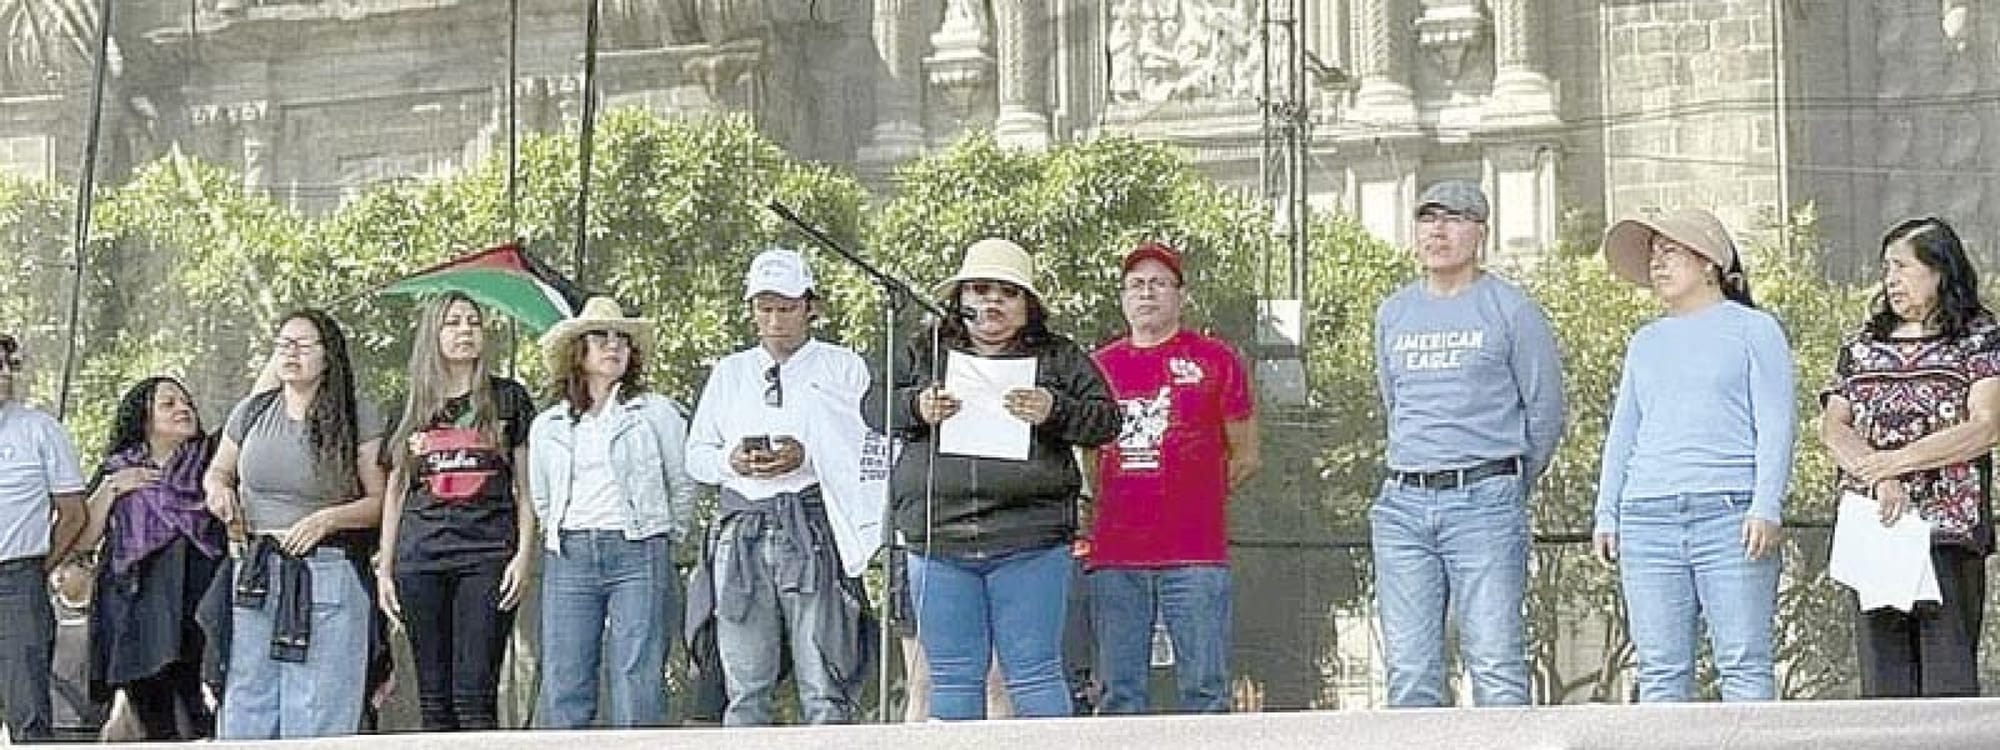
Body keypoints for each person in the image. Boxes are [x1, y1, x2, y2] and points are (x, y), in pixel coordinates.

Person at [863, 237, 1121, 720]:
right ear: (961, 298)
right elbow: (873, 407)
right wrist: (915, 406)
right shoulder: (924, 350)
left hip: (1031, 538)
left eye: (1008, 292)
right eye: (980, 290)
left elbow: (1106, 420)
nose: (993, 302)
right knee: (953, 675)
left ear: (1028, 305)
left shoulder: (1059, 356)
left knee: (1035, 672)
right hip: (940, 538)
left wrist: (1055, 409)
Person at [1371, 181, 1565, 707]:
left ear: (1481, 232)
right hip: (1402, 503)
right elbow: (1395, 403)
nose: (1438, 230)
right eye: (1427, 218)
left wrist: (1504, 479)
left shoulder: (1512, 310)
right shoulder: (1393, 313)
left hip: (1484, 499)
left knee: (1496, 663)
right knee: (1409, 671)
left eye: (1454, 218)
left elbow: (1545, 411)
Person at [1593, 208, 1794, 702]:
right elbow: (1624, 432)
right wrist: (1607, 511)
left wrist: (1766, 504)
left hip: (1729, 513)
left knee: (1743, 663)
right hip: (1647, 516)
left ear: (1709, 263)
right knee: (1660, 671)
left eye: (1671, 252)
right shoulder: (1646, 341)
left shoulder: (1754, 329)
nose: (1657, 264)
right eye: (1653, 255)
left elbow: (1776, 423)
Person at [684, 249, 872, 725]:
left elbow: (869, 451)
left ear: (811, 307)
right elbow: (696, 455)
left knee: (824, 683)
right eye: (764, 308)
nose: (775, 320)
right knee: (745, 686)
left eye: (786, 308)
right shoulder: (730, 372)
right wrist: (732, 462)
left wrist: (807, 456)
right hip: (742, 528)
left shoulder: (843, 367)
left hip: (812, 527)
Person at [1821, 216, 1999, 698]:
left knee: (1947, 680)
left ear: (1939, 270)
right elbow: (1834, 426)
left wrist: (1897, 461)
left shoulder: (1978, 338)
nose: (1891, 280)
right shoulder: (1863, 344)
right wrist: (1879, 476)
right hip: (1876, 524)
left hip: (1946, 530)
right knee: (1884, 683)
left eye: (1902, 267)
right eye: (1886, 269)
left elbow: (1985, 426)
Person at [1086, 242, 1259, 714]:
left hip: (1195, 551)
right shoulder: (1098, 367)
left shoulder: (1216, 360)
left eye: (1159, 283)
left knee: (1205, 689)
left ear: (1181, 296)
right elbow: (1086, 458)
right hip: (1116, 552)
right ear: (1123, 297)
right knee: (1119, 693)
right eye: (1136, 284)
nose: (1147, 293)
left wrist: (1194, 495)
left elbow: (1245, 455)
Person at [202, 310, 388, 739]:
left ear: (328, 355)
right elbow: (217, 472)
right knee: (248, 700)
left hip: (326, 570)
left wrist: (328, 519)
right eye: (284, 344)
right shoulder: (252, 411)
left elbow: (380, 501)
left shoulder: (357, 416)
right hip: (255, 572)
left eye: (304, 345)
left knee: (317, 706)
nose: (291, 353)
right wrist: (220, 493)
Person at [528, 296, 696, 729]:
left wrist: (663, 536)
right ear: (577, 351)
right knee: (565, 676)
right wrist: (559, 532)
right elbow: (542, 497)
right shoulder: (549, 424)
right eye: (600, 337)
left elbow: (682, 483)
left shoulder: (656, 412)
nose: (613, 345)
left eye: (621, 338)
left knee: (637, 674)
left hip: (637, 548)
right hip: (570, 551)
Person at [375, 293, 536, 730]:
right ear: (433, 333)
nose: (465, 330)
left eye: (473, 322)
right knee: (434, 700)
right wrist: (385, 569)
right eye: (453, 322)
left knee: (474, 696)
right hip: (420, 558)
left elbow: (526, 488)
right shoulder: (410, 406)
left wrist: (524, 556)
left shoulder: (508, 399)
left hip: (487, 555)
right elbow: (396, 490)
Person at [79, 377, 224, 740]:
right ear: (143, 418)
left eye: (187, 402)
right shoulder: (118, 467)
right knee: (155, 719)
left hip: (196, 599)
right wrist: (112, 487)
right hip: (134, 608)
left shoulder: (212, 460)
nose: (183, 408)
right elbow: (83, 538)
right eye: (168, 403)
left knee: (200, 712)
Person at [0, 333, 89, 741]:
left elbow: (73, 514)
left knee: (28, 713)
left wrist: (37, 568)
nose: (5, 374)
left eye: (9, 365)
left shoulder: (39, 430)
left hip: (16, 581)